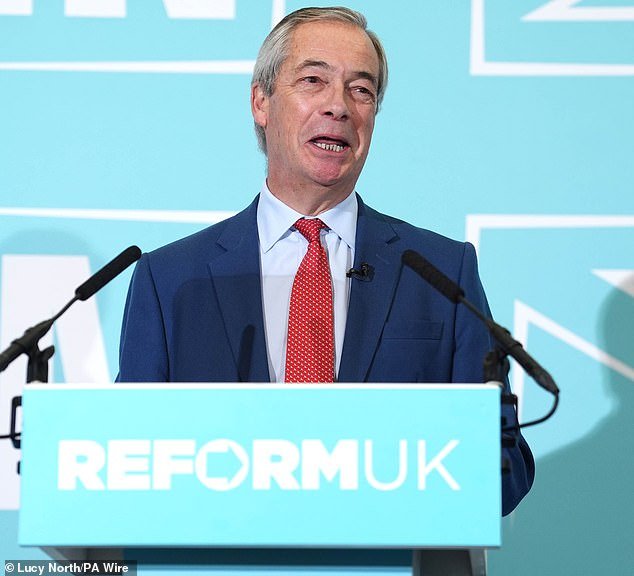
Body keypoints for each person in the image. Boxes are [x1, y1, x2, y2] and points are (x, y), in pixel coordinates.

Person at [117, 6, 534, 514]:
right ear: (261, 101)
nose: (339, 106)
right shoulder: (170, 281)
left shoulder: (442, 273)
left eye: (361, 90)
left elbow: (505, 471)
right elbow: (125, 459)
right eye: (313, 80)